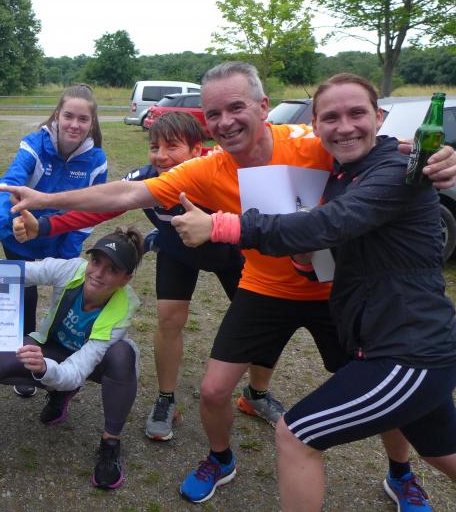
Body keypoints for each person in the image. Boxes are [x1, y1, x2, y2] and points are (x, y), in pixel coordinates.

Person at [0, 61, 456, 506]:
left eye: (237, 107)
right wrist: (47, 202)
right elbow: (127, 192)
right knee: (215, 390)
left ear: (263, 106)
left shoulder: (314, 141)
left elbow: (372, 150)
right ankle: (220, 458)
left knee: (380, 387)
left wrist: (433, 156)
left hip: (333, 294)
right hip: (265, 286)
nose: (226, 121)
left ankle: (401, 473)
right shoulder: (208, 168)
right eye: (213, 113)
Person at [176, 73, 456, 512]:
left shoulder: (400, 168)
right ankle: (220, 459)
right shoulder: (342, 173)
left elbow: (329, 223)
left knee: (296, 435)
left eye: (357, 113)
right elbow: (335, 244)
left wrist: (221, 225)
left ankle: (401, 474)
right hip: (380, 339)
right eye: (331, 117)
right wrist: (306, 263)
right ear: (316, 125)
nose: (344, 127)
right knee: (443, 453)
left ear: (379, 117)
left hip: (408, 351)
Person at [11, 111, 284, 441]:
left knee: (260, 323)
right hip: (178, 251)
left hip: (233, 254)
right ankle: (165, 399)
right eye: (155, 147)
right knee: (169, 320)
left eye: (172, 146)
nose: (161, 156)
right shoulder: (148, 178)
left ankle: (256, 393)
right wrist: (45, 225)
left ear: (197, 150)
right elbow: (102, 205)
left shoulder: (220, 169)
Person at [0, 227, 144, 490]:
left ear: (126, 279)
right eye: (96, 261)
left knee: (122, 355)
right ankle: (60, 392)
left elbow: (77, 370)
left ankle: (110, 443)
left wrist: (45, 369)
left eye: (112, 269)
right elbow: (22, 272)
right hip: (55, 348)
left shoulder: (122, 309)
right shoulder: (72, 269)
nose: (97, 273)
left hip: (94, 365)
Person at [0, 84, 108, 398]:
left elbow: (89, 213)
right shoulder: (35, 144)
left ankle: (58, 366)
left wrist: (66, 257)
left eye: (83, 119)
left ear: (92, 122)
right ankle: (23, 362)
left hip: (60, 239)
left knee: (65, 301)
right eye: (69, 116)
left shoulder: (96, 161)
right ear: (57, 115)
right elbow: (10, 183)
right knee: (25, 295)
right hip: (20, 237)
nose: (74, 124)